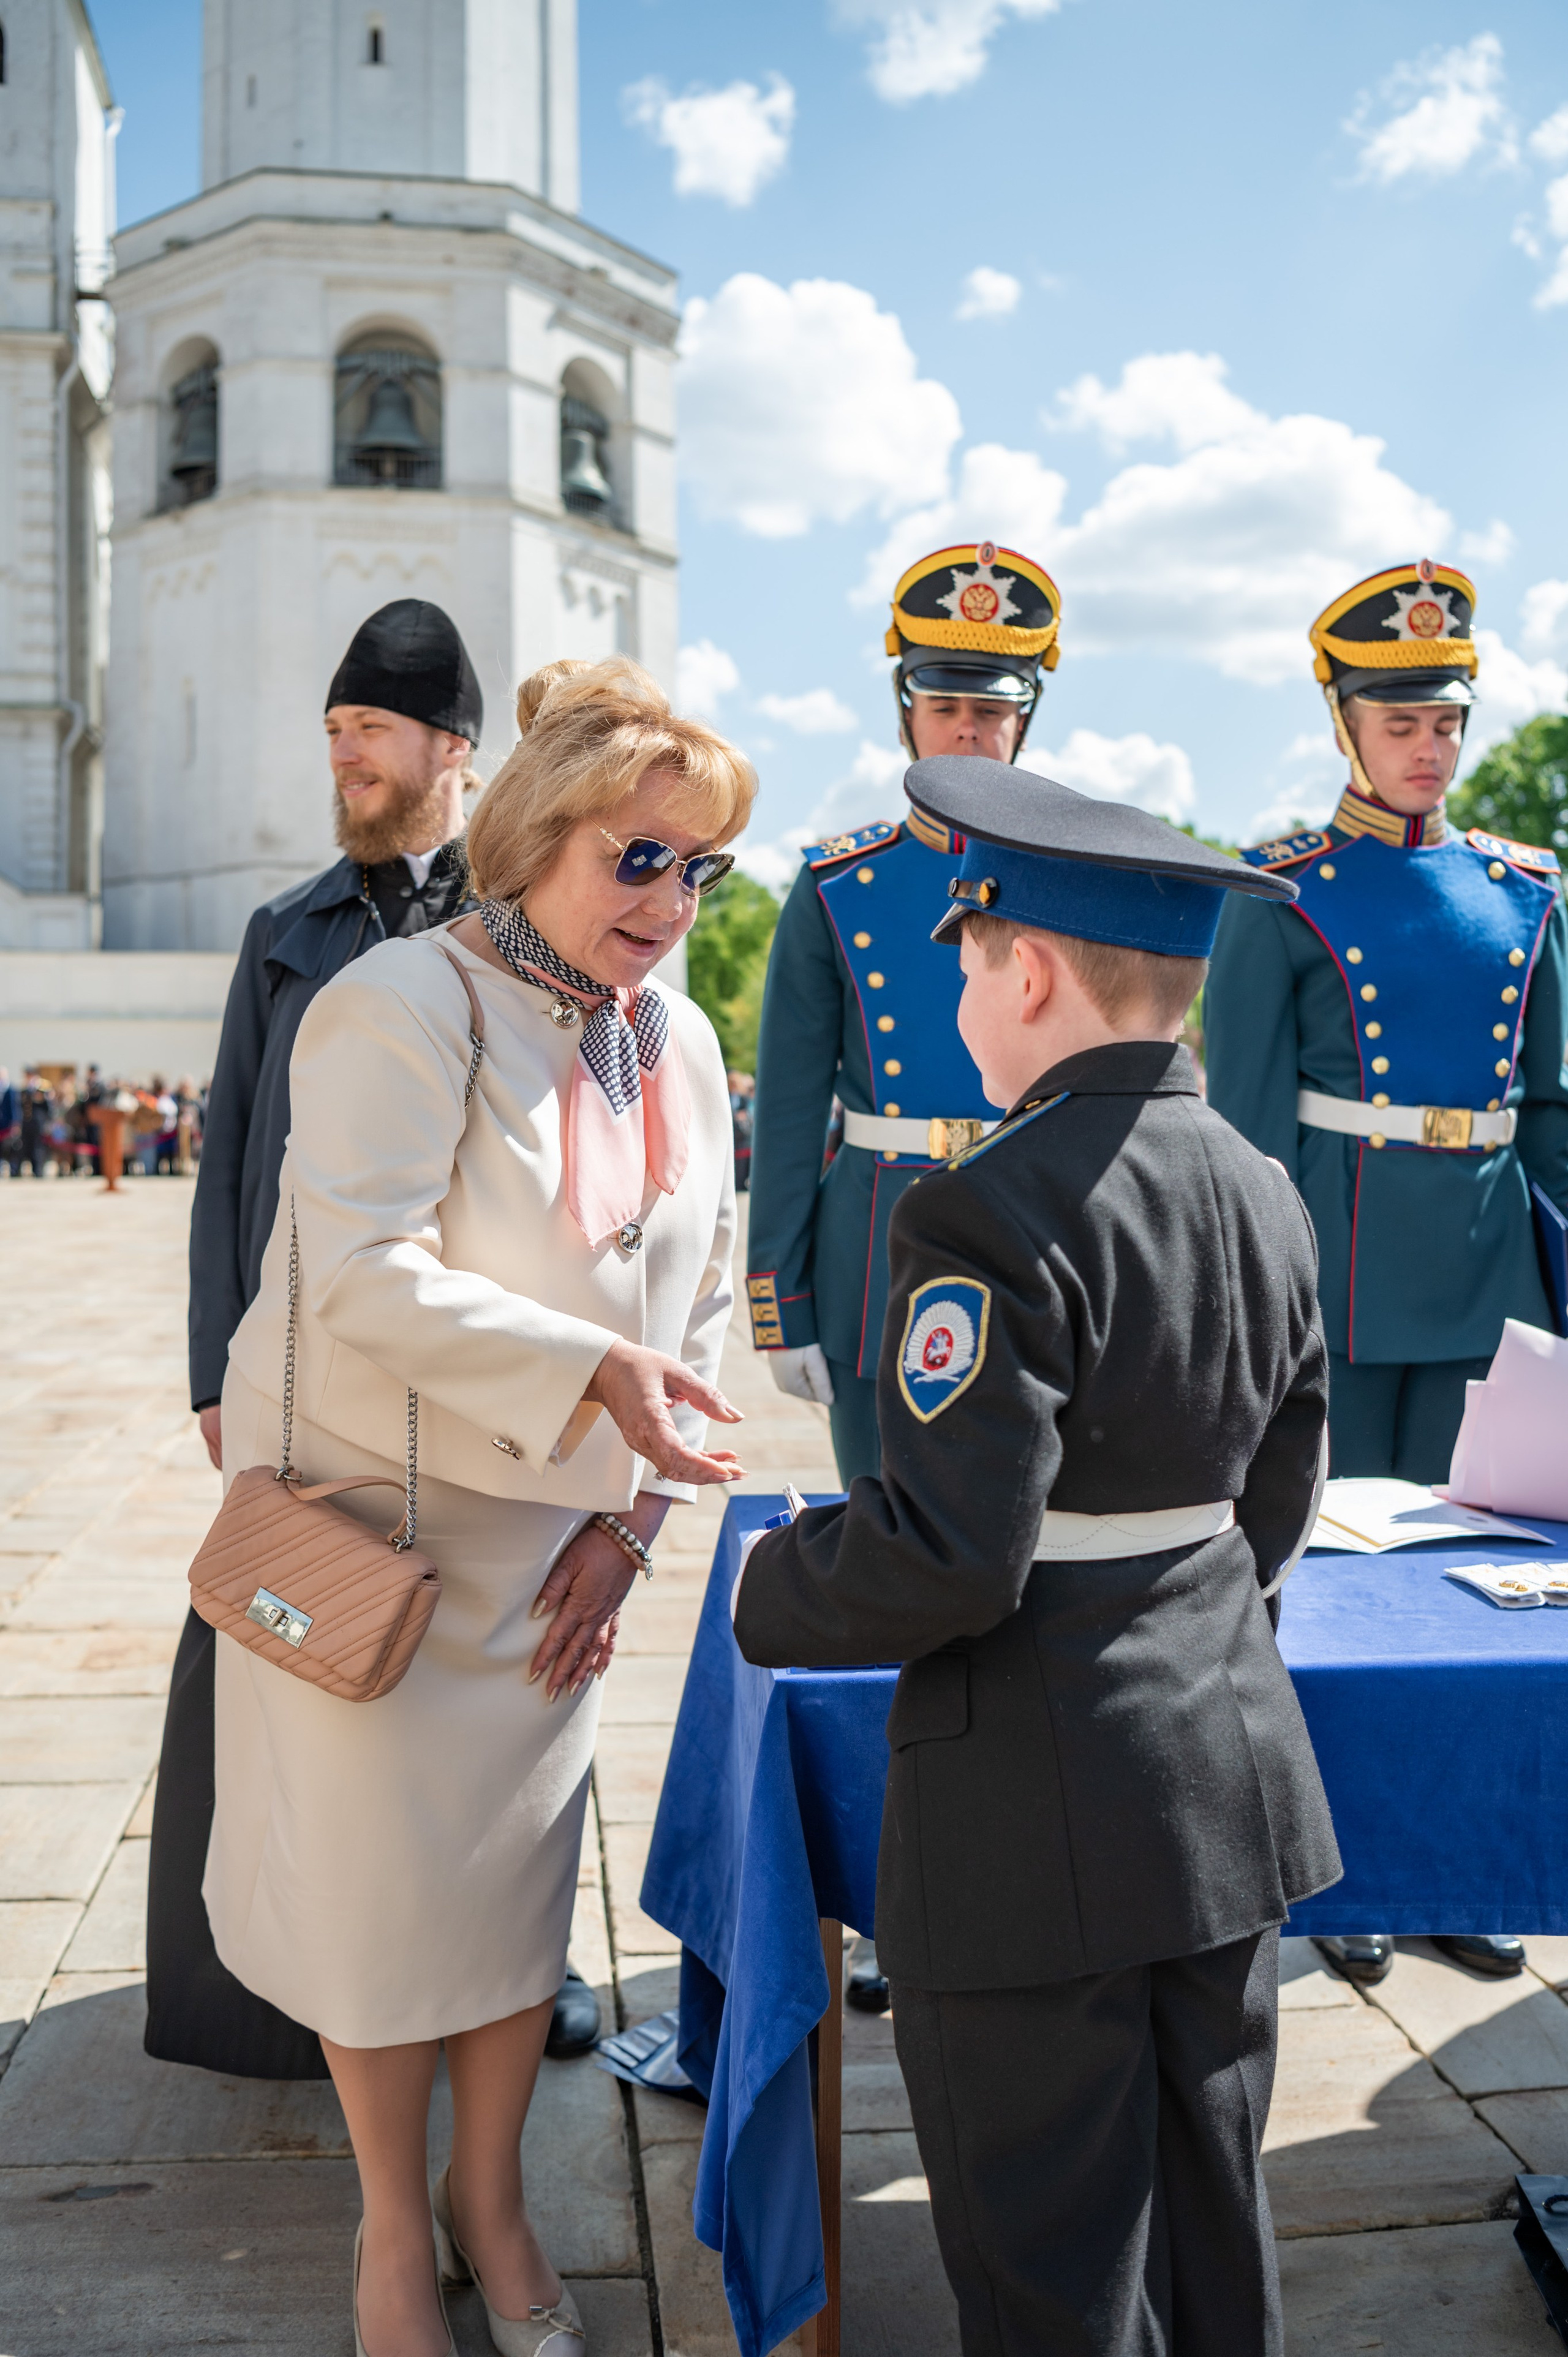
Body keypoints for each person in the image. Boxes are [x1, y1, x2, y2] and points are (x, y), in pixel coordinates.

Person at [734, 752, 1341, 2357]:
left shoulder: (987, 1213)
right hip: (1226, 1775)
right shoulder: (1268, 1189)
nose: (957, 1003)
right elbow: (1281, 1485)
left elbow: (950, 1556)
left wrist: (770, 1585)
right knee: (1213, 2229)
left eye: (966, 965)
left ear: (1036, 971)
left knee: (1050, 2264)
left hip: (1029, 1811)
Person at [206, 656, 751, 2357]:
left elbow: (709, 1299)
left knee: (513, 1903)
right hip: (385, 1539)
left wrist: (634, 1528)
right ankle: (389, 2230)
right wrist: (598, 1375)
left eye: (699, 865)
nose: (668, 899)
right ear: (529, 837)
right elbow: (361, 1273)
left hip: (557, 1556)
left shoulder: (686, 1037)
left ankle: (490, 2200)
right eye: (636, 857)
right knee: (384, 1919)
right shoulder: (401, 1003)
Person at [146, 600, 539, 2083]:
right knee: (272, 1658)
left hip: (461, 1373)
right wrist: (208, 1374)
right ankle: (258, 1992)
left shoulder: (515, 931)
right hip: (295, 1381)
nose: (344, 761)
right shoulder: (284, 933)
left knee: (471, 1704)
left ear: (452, 749)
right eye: (331, 736)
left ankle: (501, 1971)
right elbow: (229, 1160)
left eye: (368, 732)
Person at [1205, 560, 1568, 1987]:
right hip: (1335, 1277)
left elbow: (1546, 1112)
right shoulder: (1281, 894)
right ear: (1342, 720)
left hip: (1487, 1285)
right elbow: (1237, 1124)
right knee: (1326, 1583)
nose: (1424, 743)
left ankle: (1457, 1864)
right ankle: (1330, 1868)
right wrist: (1245, 1299)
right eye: (1395, 717)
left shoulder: (1522, 891)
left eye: (1444, 720)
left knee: (1484, 1582)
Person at [746, 543, 1062, 1490]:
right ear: (907, 716)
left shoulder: (1081, 879)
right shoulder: (840, 886)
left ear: (1023, 722)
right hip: (878, 1253)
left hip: (1038, 1234)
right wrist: (783, 1304)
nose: (967, 732)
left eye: (992, 710)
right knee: (886, 1542)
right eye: (946, 707)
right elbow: (793, 1111)